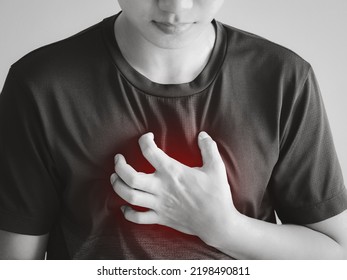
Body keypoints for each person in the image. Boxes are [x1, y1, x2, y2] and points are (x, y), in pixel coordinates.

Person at [0, 0, 346, 260]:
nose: (175, 6)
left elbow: (336, 254)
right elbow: (15, 265)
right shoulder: (40, 86)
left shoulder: (284, 79)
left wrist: (225, 228)